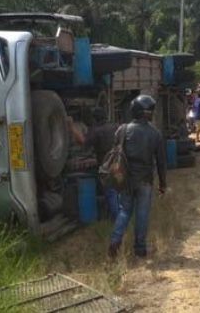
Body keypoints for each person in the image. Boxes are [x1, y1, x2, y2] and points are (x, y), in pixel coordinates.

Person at [109, 95, 167, 258]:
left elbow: (115, 152)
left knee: (124, 211)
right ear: (148, 113)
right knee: (142, 214)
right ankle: (140, 249)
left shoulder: (123, 129)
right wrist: (163, 184)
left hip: (125, 179)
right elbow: (161, 162)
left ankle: (115, 241)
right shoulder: (155, 133)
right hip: (145, 181)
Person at [67, 108, 120, 220]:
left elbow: (82, 142)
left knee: (110, 192)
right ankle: (120, 215)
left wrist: (71, 127)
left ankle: (117, 220)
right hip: (119, 163)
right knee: (118, 190)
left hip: (106, 166)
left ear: (94, 119)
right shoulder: (115, 126)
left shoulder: (96, 131)